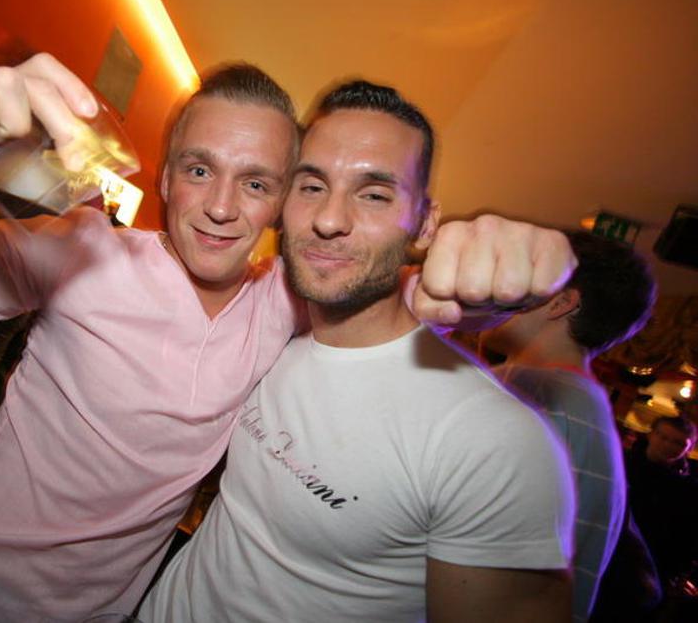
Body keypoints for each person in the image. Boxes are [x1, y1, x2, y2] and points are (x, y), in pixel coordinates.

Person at [0, 55, 575, 620]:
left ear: (281, 205)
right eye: (197, 169)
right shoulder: (77, 254)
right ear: (161, 177)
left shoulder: (287, 302)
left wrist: (499, 268)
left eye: (256, 182)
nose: (221, 207)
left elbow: (393, 284)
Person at [139, 81, 575, 622]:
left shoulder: (492, 439)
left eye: (373, 195)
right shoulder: (271, 325)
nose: (329, 220)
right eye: (312, 186)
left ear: (425, 223)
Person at [479, 230, 657, 622]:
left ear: (560, 302)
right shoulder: (584, 404)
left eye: (522, 276)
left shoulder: (529, 390)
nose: (499, 288)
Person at [625, 416, 698, 603]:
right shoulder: (623, 464)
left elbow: (687, 536)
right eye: (663, 437)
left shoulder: (687, 488)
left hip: (651, 568)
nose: (668, 445)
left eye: (678, 443)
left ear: (688, 448)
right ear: (651, 435)